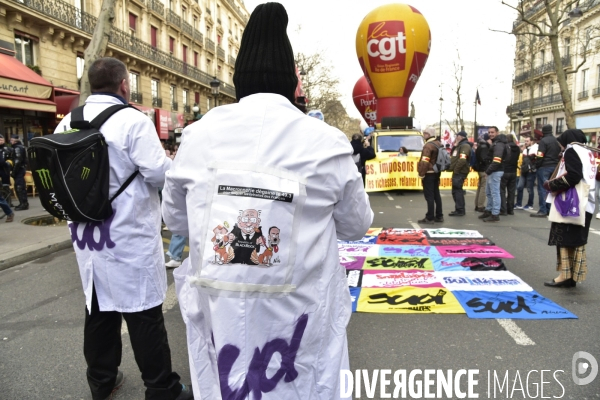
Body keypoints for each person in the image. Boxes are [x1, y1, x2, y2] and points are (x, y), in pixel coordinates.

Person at [161, 4, 373, 399]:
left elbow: (175, 219)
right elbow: (357, 224)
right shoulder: (326, 142)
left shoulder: (197, 136)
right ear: (291, 84)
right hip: (300, 328)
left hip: (220, 324)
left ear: (238, 80)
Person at [54, 57, 192, 400]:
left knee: (98, 309)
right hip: (126, 235)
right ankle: (162, 388)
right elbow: (159, 174)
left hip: (87, 237)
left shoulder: (67, 121)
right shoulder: (132, 121)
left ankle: (101, 382)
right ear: (124, 84)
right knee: (143, 313)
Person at [544, 129, 595, 288]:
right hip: (586, 201)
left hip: (571, 201)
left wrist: (552, 185)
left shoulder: (572, 150)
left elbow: (573, 175)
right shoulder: (588, 152)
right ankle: (573, 275)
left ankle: (565, 275)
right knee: (577, 241)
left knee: (565, 239)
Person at [532, 124, 560, 218]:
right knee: (551, 188)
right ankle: (550, 209)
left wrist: (537, 165)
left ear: (543, 132)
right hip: (554, 166)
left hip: (544, 166)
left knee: (542, 189)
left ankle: (543, 210)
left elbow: (540, 155)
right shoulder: (556, 140)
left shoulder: (543, 141)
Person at [479, 127, 507, 222]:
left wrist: (488, 171)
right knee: (489, 192)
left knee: (494, 193)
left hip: (495, 170)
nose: (490, 134)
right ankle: (489, 210)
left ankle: (495, 214)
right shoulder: (496, 143)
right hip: (493, 170)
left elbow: (496, 160)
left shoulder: (498, 144)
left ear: (497, 132)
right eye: (489, 132)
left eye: (492, 132)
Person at [417, 130, 444, 224]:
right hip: (437, 172)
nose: (423, 135)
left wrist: (421, 173)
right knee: (437, 195)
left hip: (429, 172)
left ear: (428, 134)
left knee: (429, 196)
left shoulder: (428, 146)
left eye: (424, 133)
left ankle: (430, 217)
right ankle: (439, 215)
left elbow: (425, 161)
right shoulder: (438, 144)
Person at [448, 131, 472, 216]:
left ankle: (460, 210)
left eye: (457, 136)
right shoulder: (459, 145)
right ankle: (458, 209)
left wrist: (456, 170)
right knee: (455, 191)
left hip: (460, 172)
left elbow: (462, 160)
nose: (455, 137)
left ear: (461, 137)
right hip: (458, 171)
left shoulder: (465, 145)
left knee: (457, 191)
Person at [515, 136, 538, 210]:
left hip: (530, 171)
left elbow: (537, 160)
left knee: (529, 189)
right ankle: (519, 204)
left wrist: (533, 168)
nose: (526, 142)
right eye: (525, 141)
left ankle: (530, 204)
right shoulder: (525, 150)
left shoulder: (536, 148)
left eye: (527, 141)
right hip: (524, 171)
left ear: (532, 141)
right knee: (519, 187)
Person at [500, 134, 520, 215]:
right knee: (511, 191)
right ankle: (510, 209)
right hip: (513, 171)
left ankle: (503, 209)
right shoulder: (517, 148)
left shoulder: (505, 147)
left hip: (505, 170)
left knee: (502, 190)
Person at [9, 134, 28, 210]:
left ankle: (23, 204)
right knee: (21, 186)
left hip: (19, 169)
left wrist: (13, 172)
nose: (10, 141)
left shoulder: (17, 148)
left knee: (19, 186)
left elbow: (17, 161)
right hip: (21, 169)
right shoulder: (21, 147)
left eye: (11, 140)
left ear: (14, 140)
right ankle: (24, 203)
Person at [474, 133, 490, 212]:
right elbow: (484, 159)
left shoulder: (481, 146)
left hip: (480, 168)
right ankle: (480, 205)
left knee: (480, 187)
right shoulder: (485, 147)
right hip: (483, 169)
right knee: (483, 187)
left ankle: (477, 204)